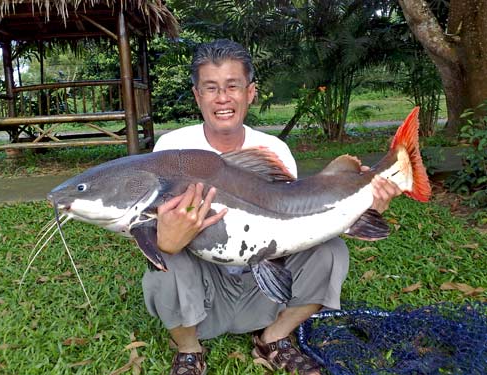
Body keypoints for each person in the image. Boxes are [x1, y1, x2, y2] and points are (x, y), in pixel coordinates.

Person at [142, 39, 401, 375]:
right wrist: (168, 240)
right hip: (203, 296)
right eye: (211, 88)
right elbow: (152, 231)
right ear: (197, 95)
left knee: (332, 251)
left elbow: (294, 226)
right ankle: (189, 350)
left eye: (233, 86)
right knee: (165, 258)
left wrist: (365, 204)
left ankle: (273, 339)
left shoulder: (271, 148)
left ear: (250, 92)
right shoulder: (172, 149)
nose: (223, 98)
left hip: (262, 289)